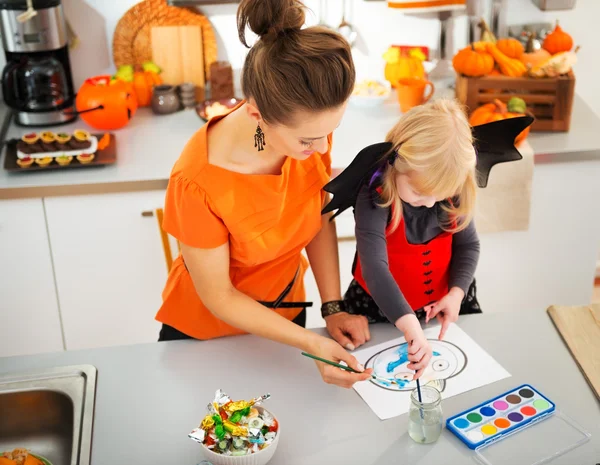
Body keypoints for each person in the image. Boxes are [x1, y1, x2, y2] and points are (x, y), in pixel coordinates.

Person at [155, 0, 372, 388]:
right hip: (206, 336)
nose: (323, 147)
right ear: (257, 115)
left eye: (331, 130)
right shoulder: (197, 182)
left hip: (288, 319)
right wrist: (311, 342)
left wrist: (332, 307)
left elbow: (316, 215)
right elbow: (219, 296)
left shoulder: (306, 129)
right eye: (310, 139)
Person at [323, 99, 482, 377]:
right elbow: (375, 268)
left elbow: (469, 245)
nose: (432, 203)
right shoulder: (374, 195)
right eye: (420, 193)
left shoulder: (448, 188)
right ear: (396, 166)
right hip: (379, 305)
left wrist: (457, 293)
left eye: (441, 194)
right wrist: (410, 326)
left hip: (446, 300)